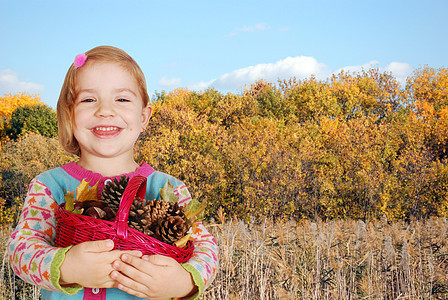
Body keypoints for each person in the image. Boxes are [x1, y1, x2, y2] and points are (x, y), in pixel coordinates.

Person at [8, 45, 219, 299]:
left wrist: (184, 282)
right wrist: (67, 265)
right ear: (69, 114)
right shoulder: (48, 186)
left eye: (122, 99)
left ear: (143, 116)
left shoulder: (168, 189)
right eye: (88, 99)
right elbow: (21, 249)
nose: (105, 110)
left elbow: (205, 248)